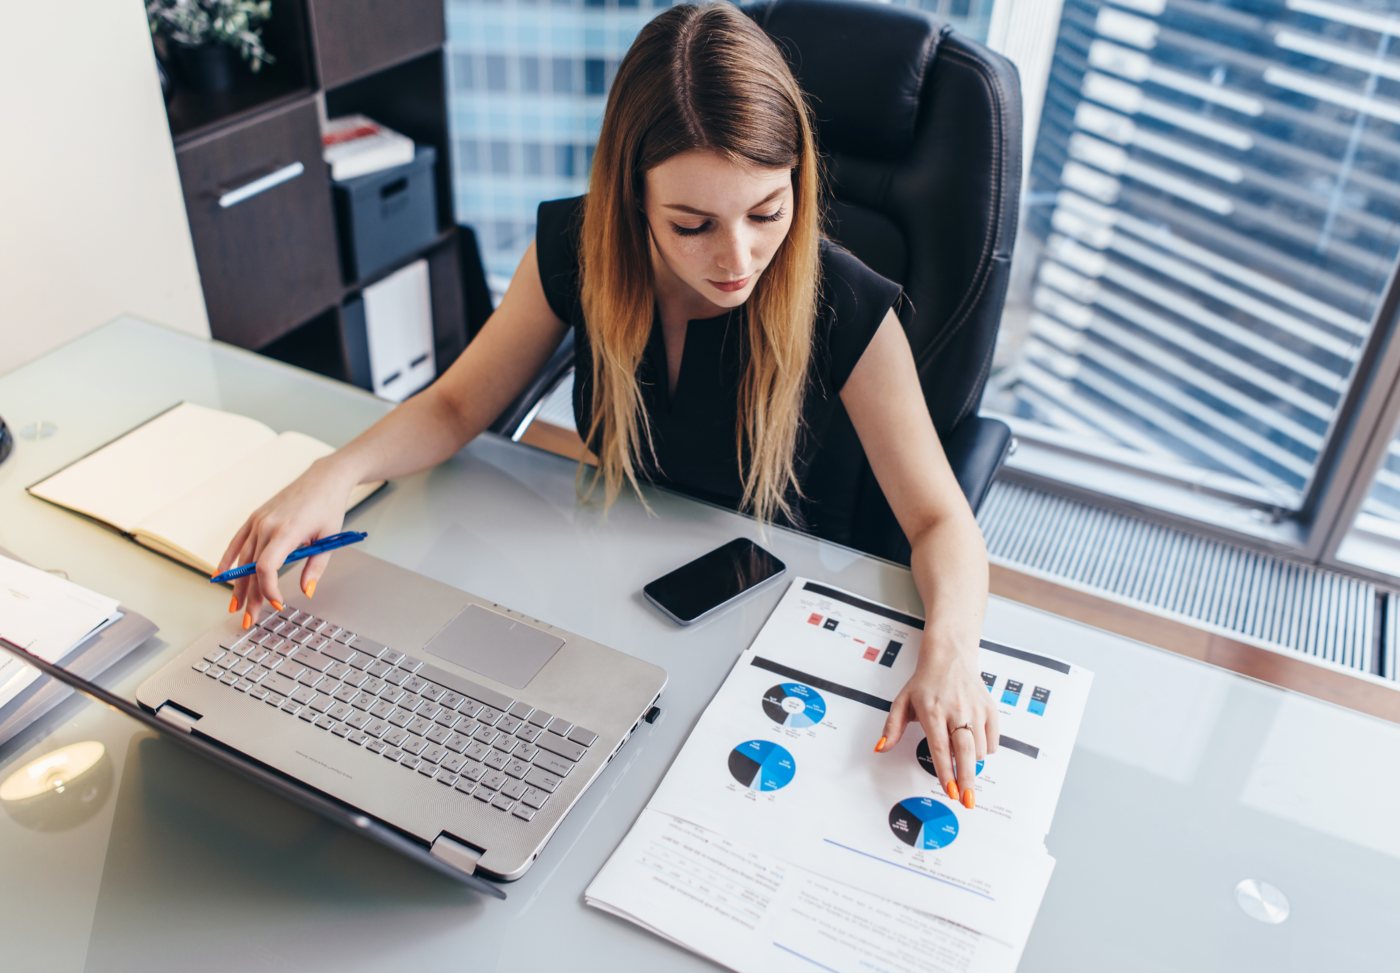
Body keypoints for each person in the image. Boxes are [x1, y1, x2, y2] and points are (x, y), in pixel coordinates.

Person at [217, 2, 996, 809]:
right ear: (632, 198)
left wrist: (949, 650)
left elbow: (943, 523)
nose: (738, 260)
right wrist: (334, 474)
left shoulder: (844, 304)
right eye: (691, 225)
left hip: (769, 632)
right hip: (617, 601)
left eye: (767, 211)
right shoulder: (580, 249)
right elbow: (455, 405)